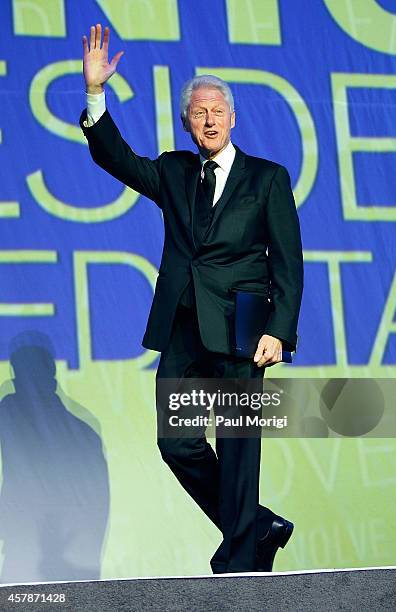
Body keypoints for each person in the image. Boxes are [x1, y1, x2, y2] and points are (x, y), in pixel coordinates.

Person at [80, 23, 303, 574]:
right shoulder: (175, 172)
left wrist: (280, 329)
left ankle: (241, 558)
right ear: (187, 123)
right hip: (182, 326)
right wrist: (94, 95)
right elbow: (117, 159)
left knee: (237, 445)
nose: (208, 120)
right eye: (198, 113)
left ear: (232, 119)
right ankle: (258, 525)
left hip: (243, 329)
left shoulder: (268, 179)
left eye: (216, 111)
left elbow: (289, 265)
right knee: (176, 443)